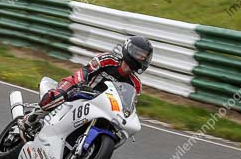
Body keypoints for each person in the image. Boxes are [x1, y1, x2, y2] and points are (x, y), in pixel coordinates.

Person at [20, 36, 154, 140]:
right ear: (129, 50)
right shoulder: (107, 59)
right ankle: (30, 119)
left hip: (102, 106)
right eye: (139, 54)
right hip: (81, 90)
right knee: (58, 95)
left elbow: (129, 105)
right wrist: (80, 84)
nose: (141, 58)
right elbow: (85, 71)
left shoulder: (136, 84)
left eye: (144, 57)